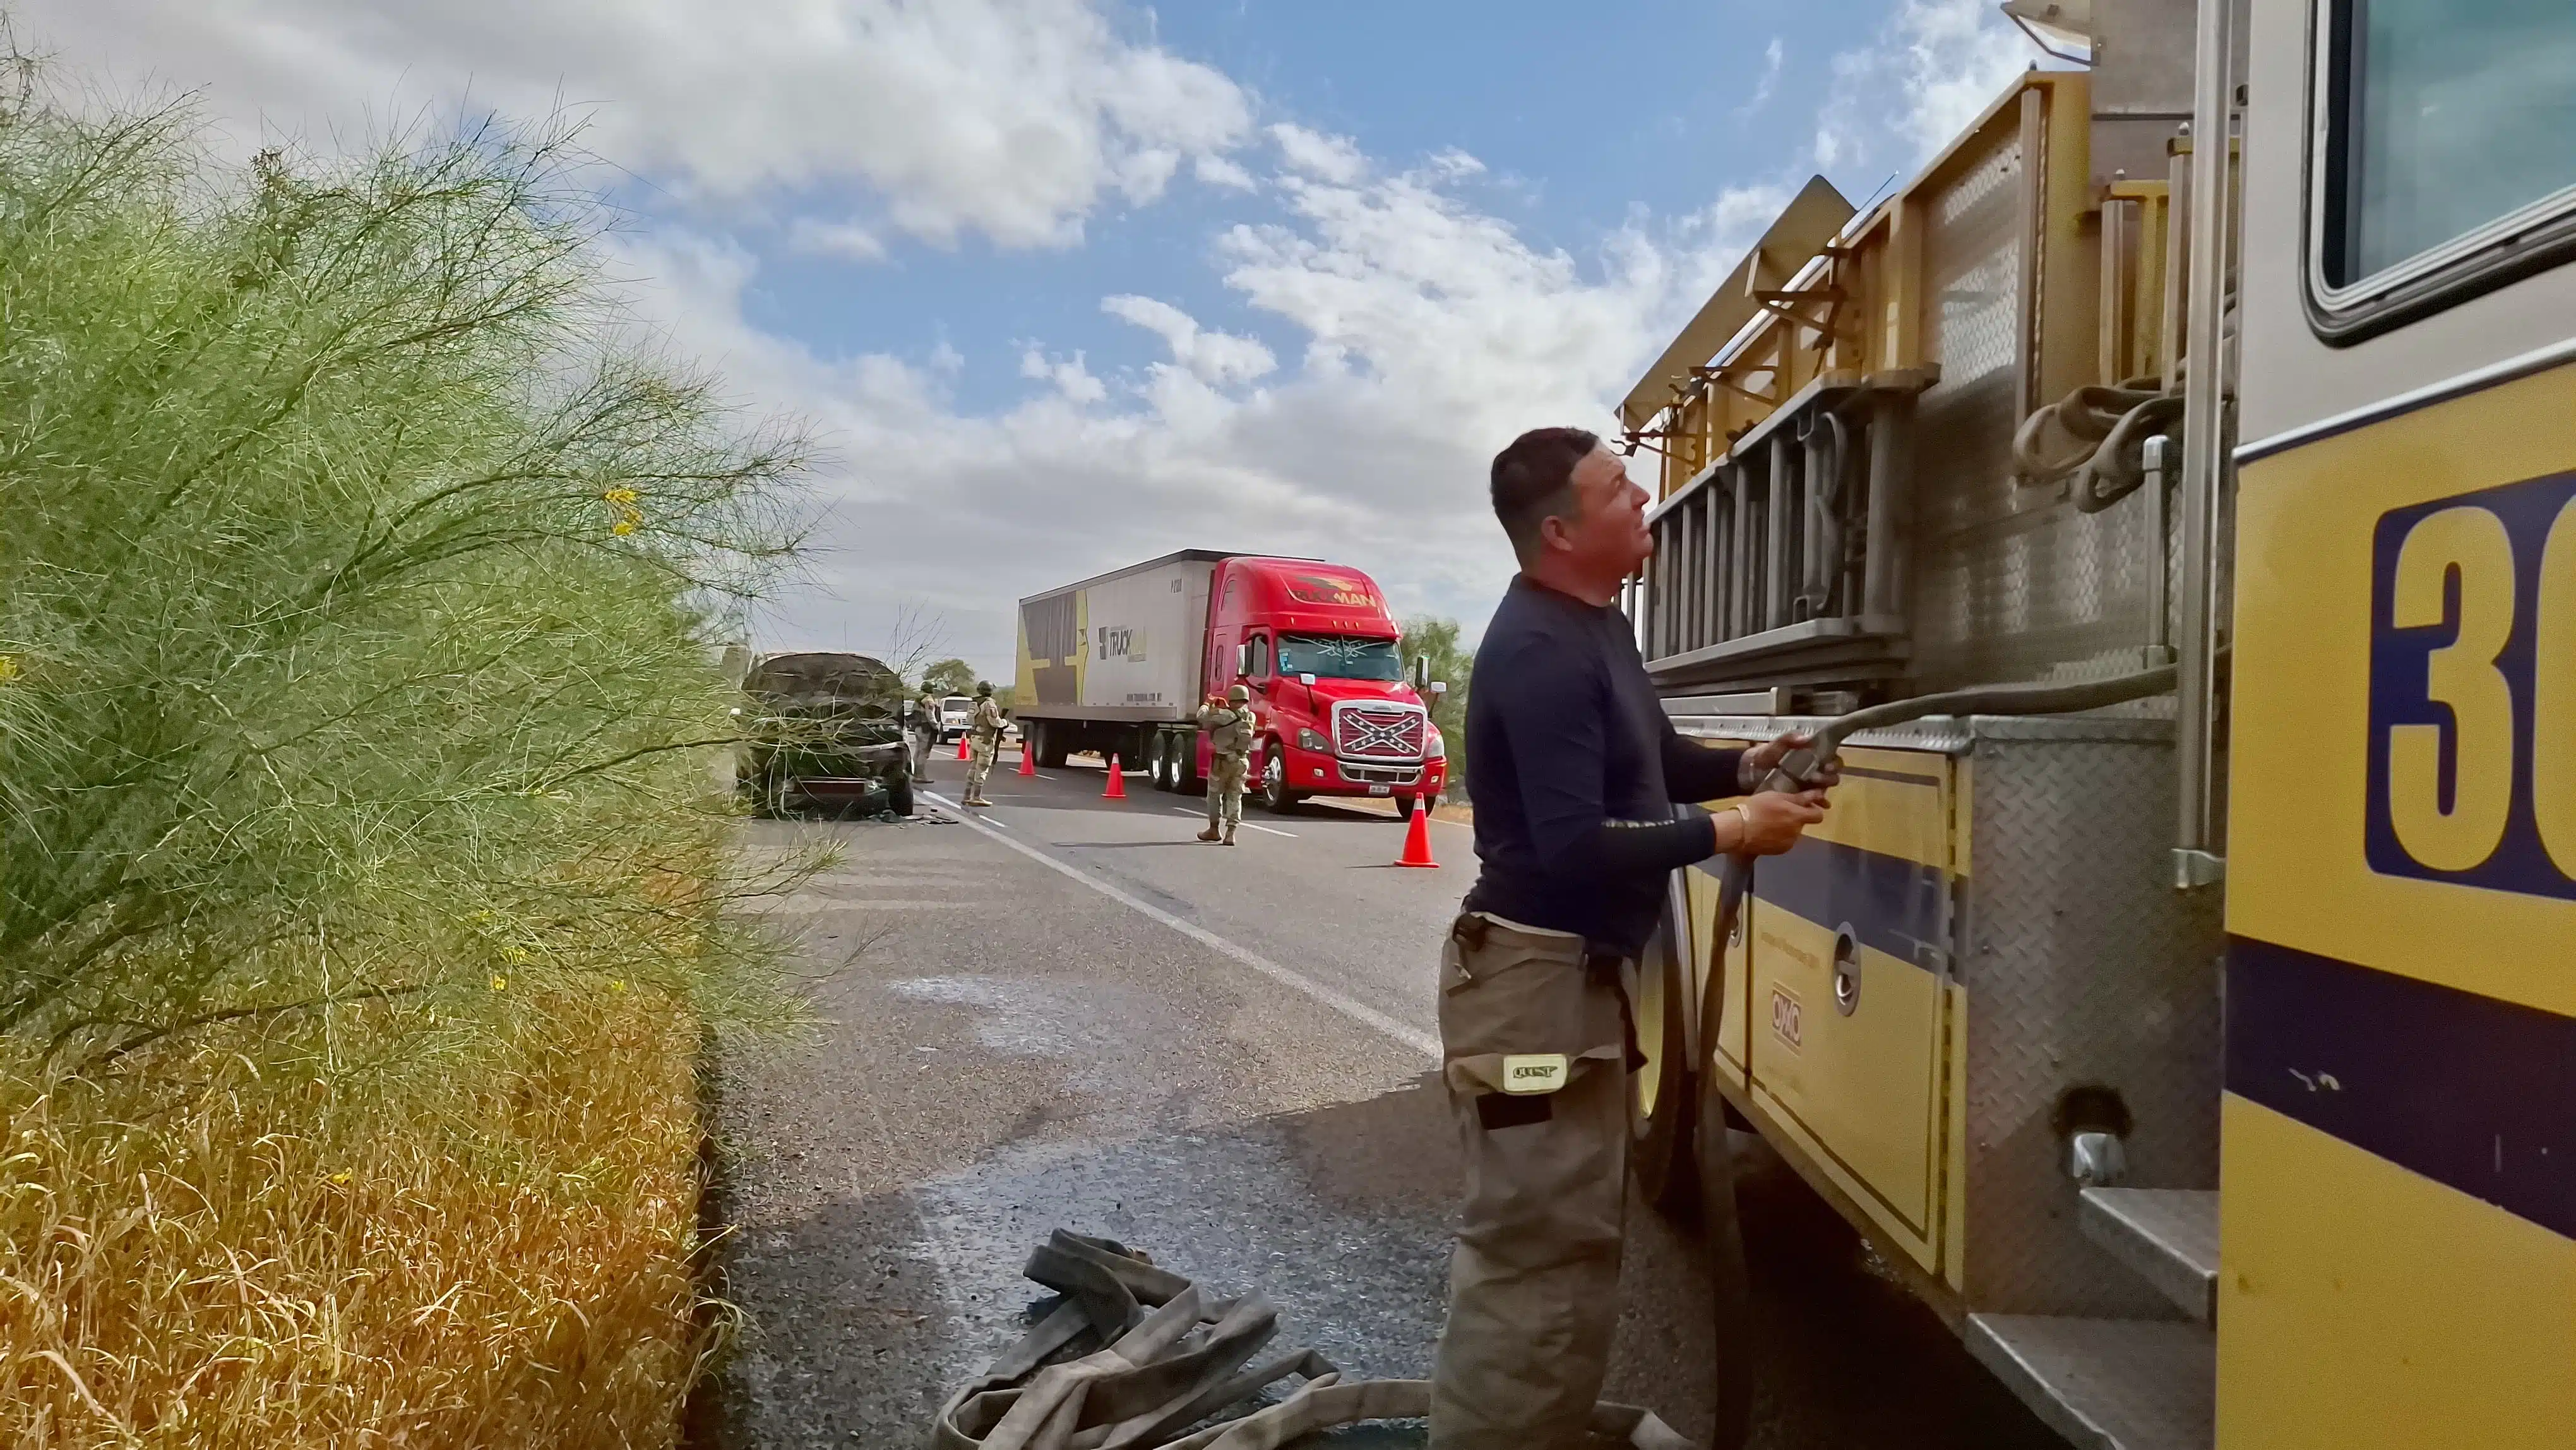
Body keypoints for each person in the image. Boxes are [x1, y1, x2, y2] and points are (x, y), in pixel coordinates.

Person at [1429, 427, 1837, 1450]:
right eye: (1619, 488)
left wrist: (1745, 768)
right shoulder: (1536, 652)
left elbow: (1652, 761)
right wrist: (1734, 832)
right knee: (1534, 1260)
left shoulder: (1597, 627)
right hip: (1531, 994)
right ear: (1562, 530)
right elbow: (1571, 845)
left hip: (1574, 985)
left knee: (1573, 1248)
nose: (1644, 493)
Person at [1195, 682, 1256, 844]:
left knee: (1215, 794)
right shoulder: (1251, 716)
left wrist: (1208, 703)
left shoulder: (1224, 715)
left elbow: (1201, 717)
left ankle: (1214, 830)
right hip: (1242, 761)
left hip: (1222, 761)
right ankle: (1231, 833)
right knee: (1235, 796)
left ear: (1232, 699)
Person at [962, 682, 1005, 808]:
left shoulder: (973, 703)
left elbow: (969, 719)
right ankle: (977, 797)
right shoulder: (989, 703)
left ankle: (966, 796)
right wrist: (1005, 722)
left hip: (974, 737)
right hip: (985, 740)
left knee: (973, 766)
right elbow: (995, 722)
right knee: (982, 767)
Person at [910, 685, 941, 781]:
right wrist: (935, 726)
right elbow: (930, 715)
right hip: (926, 728)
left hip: (918, 728)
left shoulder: (918, 699)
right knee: (924, 753)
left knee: (918, 752)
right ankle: (920, 776)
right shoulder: (928, 700)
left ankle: (914, 775)